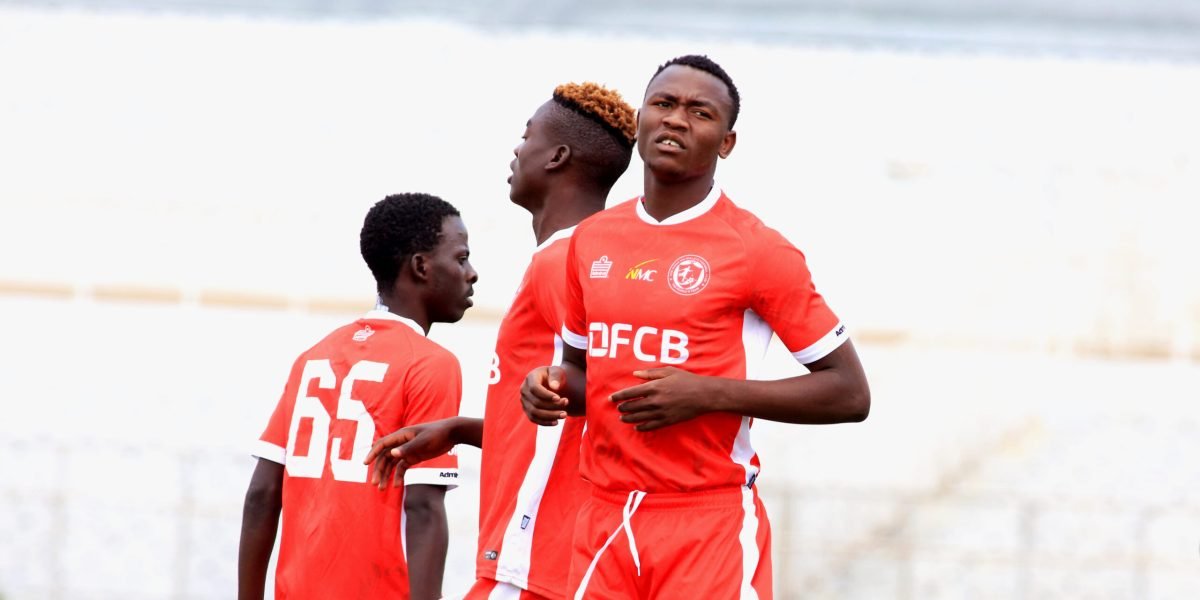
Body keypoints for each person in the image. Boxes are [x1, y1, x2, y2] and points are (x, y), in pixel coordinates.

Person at [519, 55, 871, 599]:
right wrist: (548, 389)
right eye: (663, 104)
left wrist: (709, 394)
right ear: (640, 120)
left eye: (699, 112)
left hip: (707, 520)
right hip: (603, 520)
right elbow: (581, 376)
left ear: (726, 143)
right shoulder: (591, 241)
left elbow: (849, 393)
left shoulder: (758, 249)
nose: (676, 120)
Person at [363, 82, 637, 600]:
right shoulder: (580, 255)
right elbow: (569, 413)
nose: (517, 149)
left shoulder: (566, 260)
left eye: (527, 136)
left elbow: (615, 391)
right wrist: (461, 429)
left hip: (533, 564)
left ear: (557, 157)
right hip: (548, 562)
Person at [238, 193, 478, 600]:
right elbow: (422, 507)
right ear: (421, 266)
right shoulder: (431, 364)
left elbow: (262, 493)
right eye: (461, 258)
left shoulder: (314, 357)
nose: (471, 273)